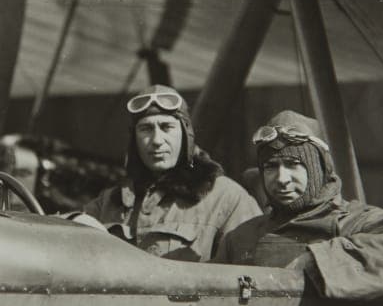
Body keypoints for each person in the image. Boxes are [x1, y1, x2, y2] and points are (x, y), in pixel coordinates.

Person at [218, 110, 383, 300]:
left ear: (319, 169)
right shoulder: (240, 238)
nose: (282, 178)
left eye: (293, 165)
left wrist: (317, 263)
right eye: (271, 167)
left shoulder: (359, 223)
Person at [82, 85, 261, 261]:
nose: (156, 140)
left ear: (186, 134)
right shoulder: (109, 202)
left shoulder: (227, 198)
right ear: (133, 138)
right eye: (146, 129)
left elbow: (253, 269)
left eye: (166, 127)